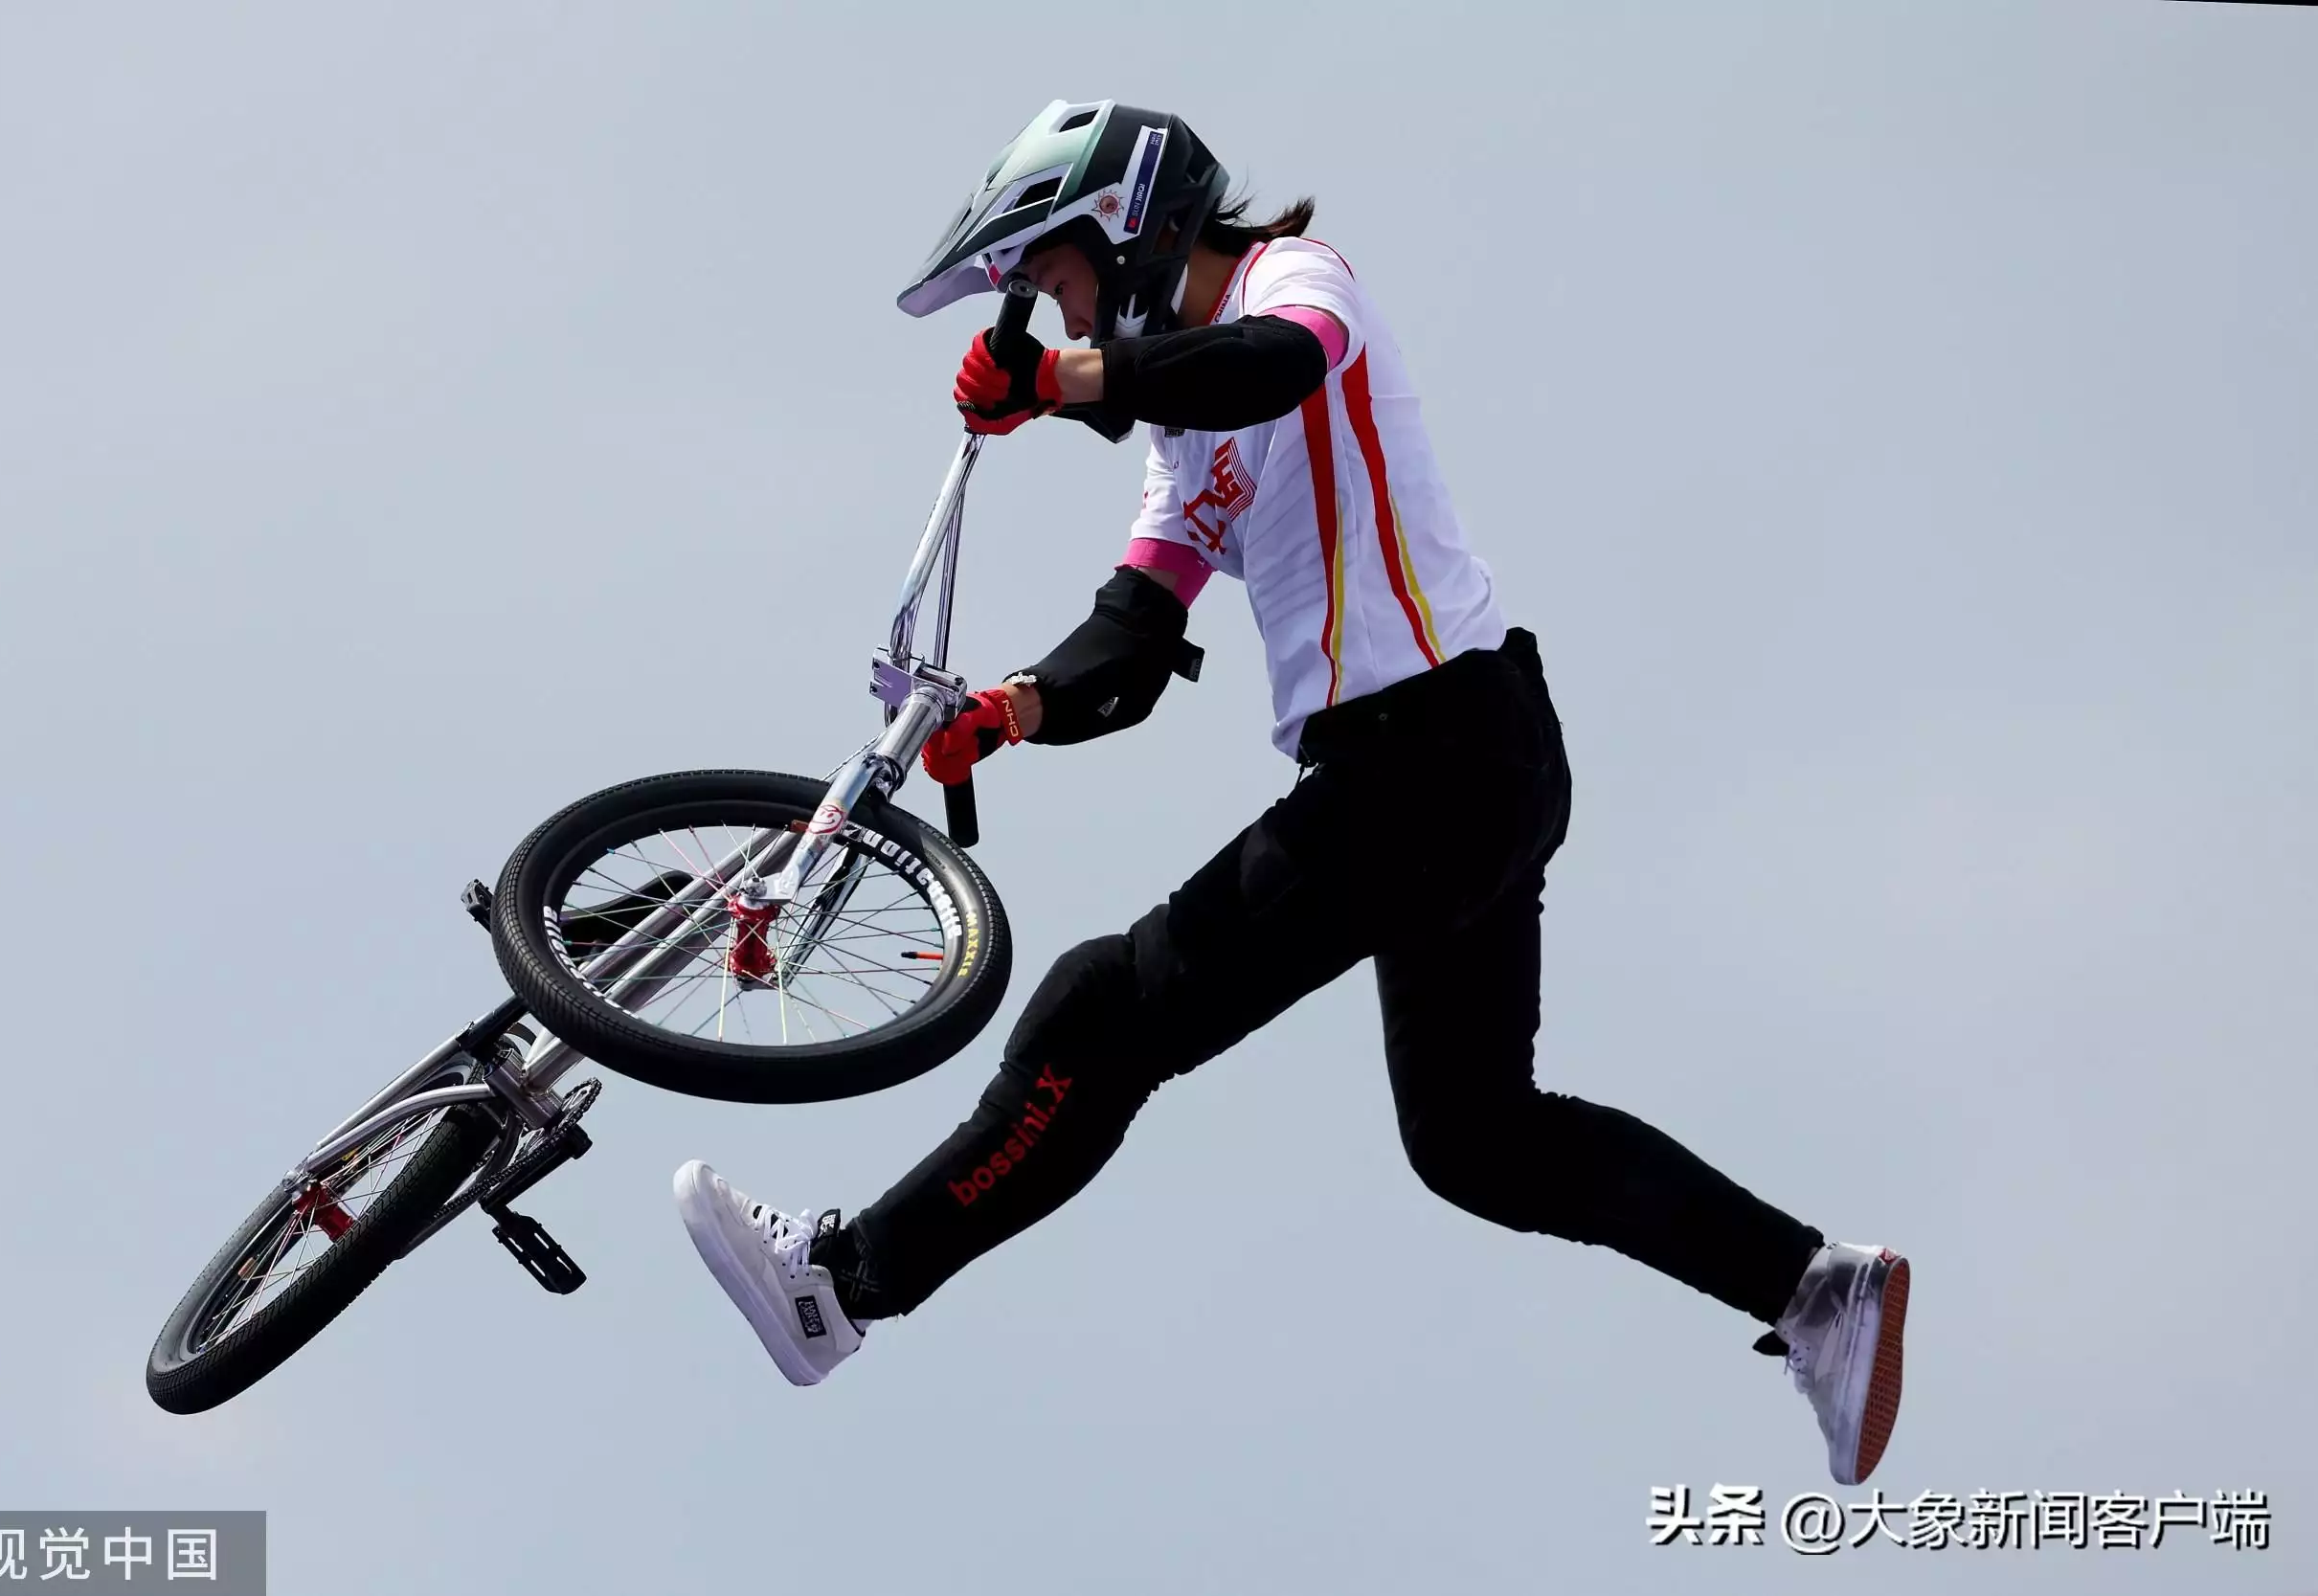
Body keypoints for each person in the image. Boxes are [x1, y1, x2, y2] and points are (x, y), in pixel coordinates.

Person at [672, 99, 1910, 1486]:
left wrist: (1074, 381)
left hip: (1431, 752)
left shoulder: (1293, 282)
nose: (1056, 313)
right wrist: (1012, 711)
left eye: (1057, 279)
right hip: (1463, 769)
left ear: (1126, 225)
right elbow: (1132, 643)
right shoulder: (1183, 441)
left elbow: (1267, 368)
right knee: (1477, 1139)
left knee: (1105, 1010)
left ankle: (840, 1286)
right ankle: (1816, 1287)